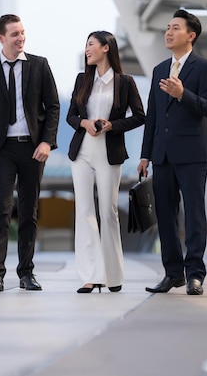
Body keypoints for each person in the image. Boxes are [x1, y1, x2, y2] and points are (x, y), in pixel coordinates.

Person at [0, 14, 60, 292]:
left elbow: (54, 107)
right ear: (1, 38)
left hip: (33, 147)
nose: (20, 38)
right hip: (2, 149)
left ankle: (26, 273)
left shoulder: (40, 65)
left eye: (22, 33)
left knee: (29, 211)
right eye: (14, 34)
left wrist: (47, 142)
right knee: (2, 207)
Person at [138, 9, 207, 296]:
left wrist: (183, 94)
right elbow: (154, 115)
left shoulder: (204, 67)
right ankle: (173, 274)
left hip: (193, 154)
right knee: (165, 215)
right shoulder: (160, 69)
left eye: (175, 28)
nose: (168, 32)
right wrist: (145, 155)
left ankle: (195, 274)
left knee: (194, 215)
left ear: (191, 35)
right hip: (162, 155)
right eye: (167, 28)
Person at [67, 31, 145, 294]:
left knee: (108, 213)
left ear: (105, 48)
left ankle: (112, 275)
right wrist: (84, 122)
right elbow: (71, 115)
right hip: (82, 151)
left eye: (91, 44)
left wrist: (113, 125)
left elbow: (140, 116)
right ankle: (90, 275)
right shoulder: (82, 79)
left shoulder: (124, 82)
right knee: (85, 212)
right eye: (86, 44)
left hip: (109, 152)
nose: (87, 49)